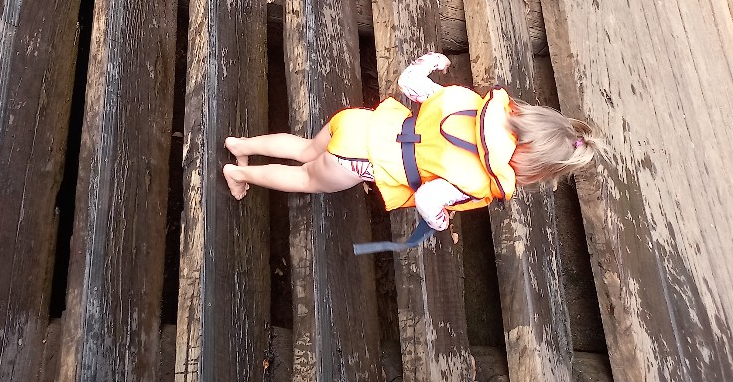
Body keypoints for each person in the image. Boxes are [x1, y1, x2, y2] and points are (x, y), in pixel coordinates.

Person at [221, 53, 598, 244]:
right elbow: (428, 199)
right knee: (305, 178)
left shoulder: (468, 104)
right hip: (355, 161)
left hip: (358, 121)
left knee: (305, 149)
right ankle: (239, 173)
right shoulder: (475, 181)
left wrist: (431, 62)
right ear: (535, 169)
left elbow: (410, 81)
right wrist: (440, 221)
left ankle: (241, 145)